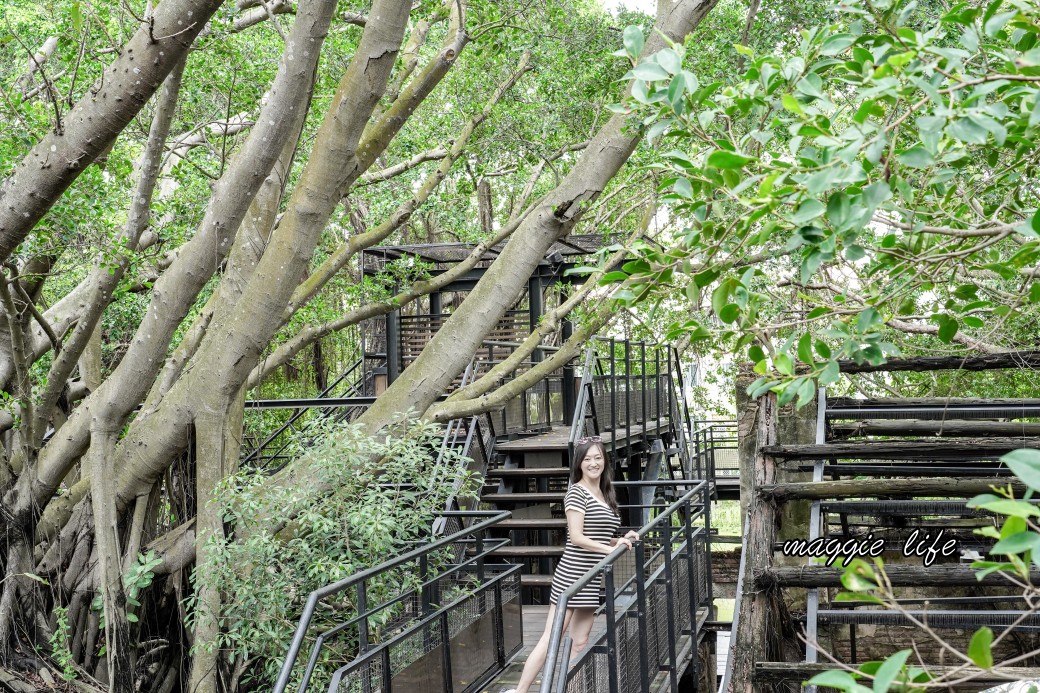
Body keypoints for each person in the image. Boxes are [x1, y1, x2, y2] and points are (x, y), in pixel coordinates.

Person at [502, 436, 640, 693]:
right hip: (573, 575)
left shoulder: (605, 492)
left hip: (591, 578)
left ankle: (558, 689)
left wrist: (619, 539)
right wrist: (613, 549)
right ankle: (520, 691)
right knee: (551, 638)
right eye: (588, 458)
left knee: (580, 642)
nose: (594, 463)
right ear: (579, 464)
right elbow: (576, 537)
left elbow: (597, 534)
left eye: (598, 457)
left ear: (605, 461)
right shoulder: (576, 492)